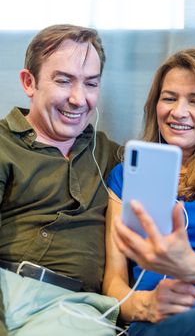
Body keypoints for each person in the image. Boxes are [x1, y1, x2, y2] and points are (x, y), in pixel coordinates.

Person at [0, 24, 122, 336]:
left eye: (91, 84)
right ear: (30, 82)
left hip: (74, 310)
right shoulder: (3, 145)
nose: (79, 99)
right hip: (9, 292)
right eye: (63, 81)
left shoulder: (109, 154)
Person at [103, 48, 195, 335]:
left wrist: (191, 266)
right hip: (159, 321)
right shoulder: (125, 177)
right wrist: (144, 304)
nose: (178, 112)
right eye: (169, 98)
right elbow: (113, 284)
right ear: (155, 104)